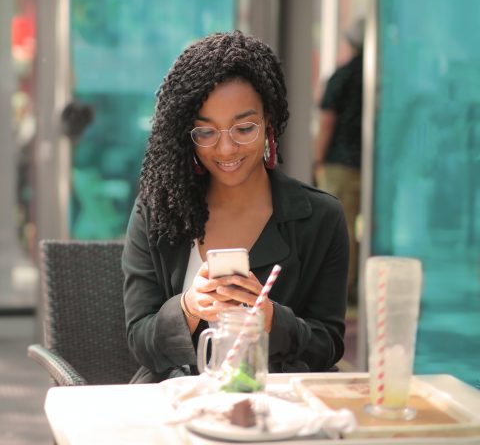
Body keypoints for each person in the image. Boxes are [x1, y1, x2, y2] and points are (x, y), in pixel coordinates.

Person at [122, 31, 349, 383]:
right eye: (206, 132)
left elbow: (329, 345)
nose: (226, 149)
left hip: (274, 411)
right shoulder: (158, 210)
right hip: (173, 409)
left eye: (244, 128)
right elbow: (140, 340)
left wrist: (273, 319)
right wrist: (188, 308)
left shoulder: (320, 218)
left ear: (269, 122)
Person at [313, 17, 364, 306]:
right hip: (370, 166)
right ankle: (354, 287)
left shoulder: (343, 75)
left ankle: (339, 293)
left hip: (340, 164)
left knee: (338, 230)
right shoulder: (382, 78)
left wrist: (318, 158)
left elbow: (327, 120)